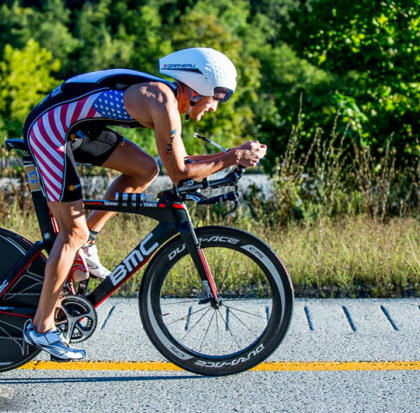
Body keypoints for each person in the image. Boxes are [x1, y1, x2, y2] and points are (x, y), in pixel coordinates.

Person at [22, 47, 267, 360]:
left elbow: (181, 162)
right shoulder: (161, 101)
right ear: (198, 86)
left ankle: (88, 241)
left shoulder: (166, 98)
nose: (216, 107)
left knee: (145, 170)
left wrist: (230, 156)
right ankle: (41, 327)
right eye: (218, 97)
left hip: (79, 129)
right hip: (50, 129)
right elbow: (180, 173)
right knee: (72, 232)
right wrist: (232, 157)